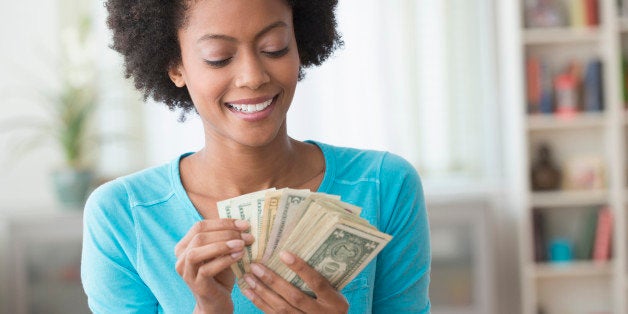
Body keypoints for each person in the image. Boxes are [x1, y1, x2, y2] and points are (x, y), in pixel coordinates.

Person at [81, 0, 431, 313]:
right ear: (176, 66)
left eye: (274, 48)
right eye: (219, 56)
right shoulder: (121, 216)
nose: (252, 77)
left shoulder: (385, 185)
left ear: (299, 46)